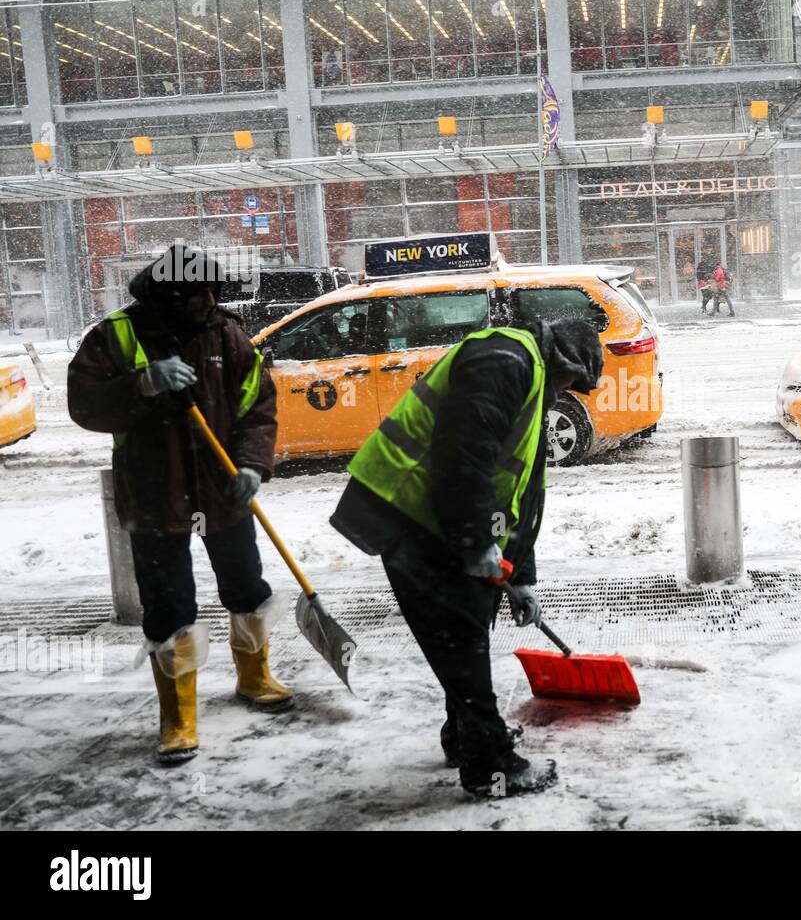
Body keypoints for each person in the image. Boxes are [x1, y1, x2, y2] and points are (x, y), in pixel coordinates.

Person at [330, 317, 604, 798]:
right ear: (562, 360)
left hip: (439, 517)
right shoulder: (504, 359)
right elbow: (465, 456)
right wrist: (477, 540)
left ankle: (465, 737)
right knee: (461, 640)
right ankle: (489, 764)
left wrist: (519, 577)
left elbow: (524, 494)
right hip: (406, 509)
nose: (565, 394)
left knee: (468, 625)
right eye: (569, 383)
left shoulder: (531, 384)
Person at [67, 243, 287, 765]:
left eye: (214, 291)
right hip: (154, 491)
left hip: (222, 486)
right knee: (168, 605)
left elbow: (257, 405)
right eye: (197, 293)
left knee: (247, 585)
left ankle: (254, 677)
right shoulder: (115, 337)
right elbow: (84, 406)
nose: (209, 300)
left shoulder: (226, 334)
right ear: (168, 294)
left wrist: (252, 465)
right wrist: (140, 384)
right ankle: (178, 716)